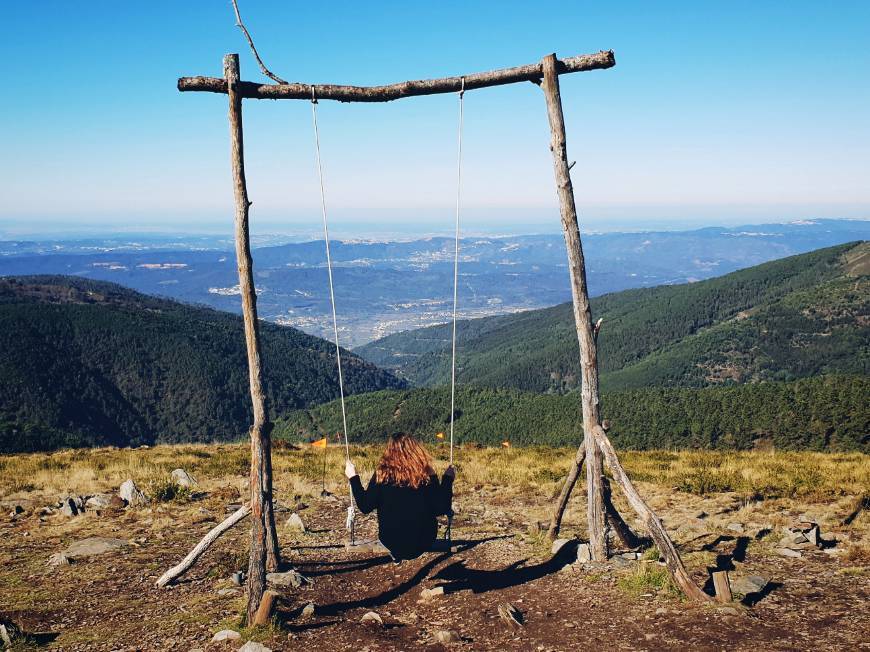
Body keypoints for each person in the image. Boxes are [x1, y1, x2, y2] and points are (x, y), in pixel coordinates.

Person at [344, 432, 455, 561]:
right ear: (416, 450)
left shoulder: (382, 474)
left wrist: (353, 477)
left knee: (396, 534)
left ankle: (397, 554)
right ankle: (398, 553)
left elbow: (365, 506)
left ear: (389, 451)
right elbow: (441, 507)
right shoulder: (426, 474)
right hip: (424, 539)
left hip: (391, 540)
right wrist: (447, 479)